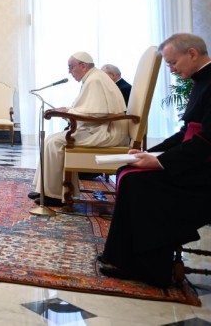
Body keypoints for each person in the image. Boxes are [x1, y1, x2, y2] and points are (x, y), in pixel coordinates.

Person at [98, 33, 211, 288]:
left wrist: (160, 162)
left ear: (192, 53)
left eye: (173, 62)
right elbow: (186, 133)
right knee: (128, 170)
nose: (172, 69)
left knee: (140, 183)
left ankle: (148, 267)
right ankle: (121, 256)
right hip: (194, 161)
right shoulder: (201, 80)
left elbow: (206, 140)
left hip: (203, 173)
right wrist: (148, 153)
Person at [29, 52, 128, 207]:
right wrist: (68, 110)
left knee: (54, 142)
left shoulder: (95, 80)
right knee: (50, 140)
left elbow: (97, 114)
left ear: (83, 66)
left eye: (71, 67)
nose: (69, 71)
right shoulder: (93, 77)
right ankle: (45, 189)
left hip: (107, 131)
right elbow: (90, 109)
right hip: (101, 127)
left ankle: (56, 196)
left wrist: (69, 113)